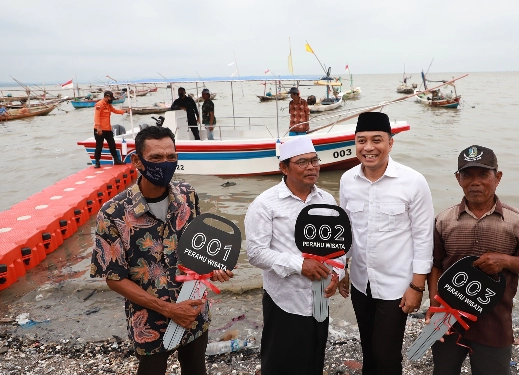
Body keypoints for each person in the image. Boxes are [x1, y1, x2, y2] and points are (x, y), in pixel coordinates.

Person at [90, 126, 233, 375]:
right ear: (137, 160)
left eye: (171, 157)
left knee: (196, 369)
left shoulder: (187, 196)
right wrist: (167, 308)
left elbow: (196, 248)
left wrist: (212, 267)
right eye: (156, 158)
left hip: (192, 306)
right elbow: (114, 277)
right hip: (148, 317)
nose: (165, 164)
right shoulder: (113, 213)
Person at [426, 145, 519, 375]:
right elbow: (436, 265)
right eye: (467, 175)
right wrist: (436, 306)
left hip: (495, 321)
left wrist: (505, 260)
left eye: (483, 175)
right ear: (458, 179)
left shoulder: (517, 221)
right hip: (448, 318)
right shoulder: (444, 220)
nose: (475, 182)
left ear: (497, 178)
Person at [338, 112, 434, 375]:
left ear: (390, 143)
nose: (369, 148)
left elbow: (424, 237)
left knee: (386, 354)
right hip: (360, 282)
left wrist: (417, 285)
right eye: (361, 141)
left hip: (396, 286)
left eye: (377, 140)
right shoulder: (347, 180)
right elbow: (344, 231)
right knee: (368, 349)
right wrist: (342, 270)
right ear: (355, 144)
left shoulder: (413, 181)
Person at [245, 136, 344, 375]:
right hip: (284, 299)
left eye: (314, 161)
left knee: (315, 358)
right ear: (284, 167)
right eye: (302, 162)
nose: (311, 167)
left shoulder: (327, 201)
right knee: (280, 363)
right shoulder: (265, 204)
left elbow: (338, 245)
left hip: (319, 295)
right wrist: (299, 264)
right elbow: (255, 253)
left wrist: (339, 272)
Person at [94, 91, 126, 168]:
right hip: (100, 129)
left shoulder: (108, 105)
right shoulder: (99, 105)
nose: (111, 99)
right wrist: (98, 127)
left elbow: (115, 111)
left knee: (112, 145)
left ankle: (116, 160)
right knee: (99, 146)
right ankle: (97, 162)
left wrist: (125, 111)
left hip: (108, 129)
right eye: (110, 98)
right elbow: (96, 116)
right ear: (106, 97)